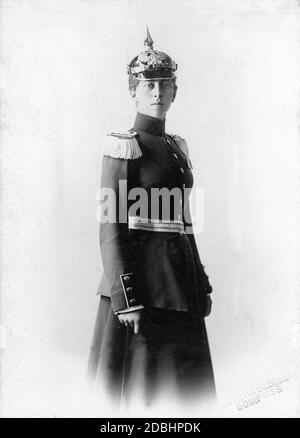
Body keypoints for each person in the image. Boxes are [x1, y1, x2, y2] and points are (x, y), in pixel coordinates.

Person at [88, 28, 216, 411]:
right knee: (141, 395)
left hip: (180, 287)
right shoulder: (125, 145)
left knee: (185, 394)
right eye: (149, 86)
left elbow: (184, 223)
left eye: (165, 85)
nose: (158, 93)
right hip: (142, 290)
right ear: (133, 91)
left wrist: (201, 283)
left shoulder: (177, 147)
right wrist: (126, 299)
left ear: (175, 91)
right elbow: (111, 227)